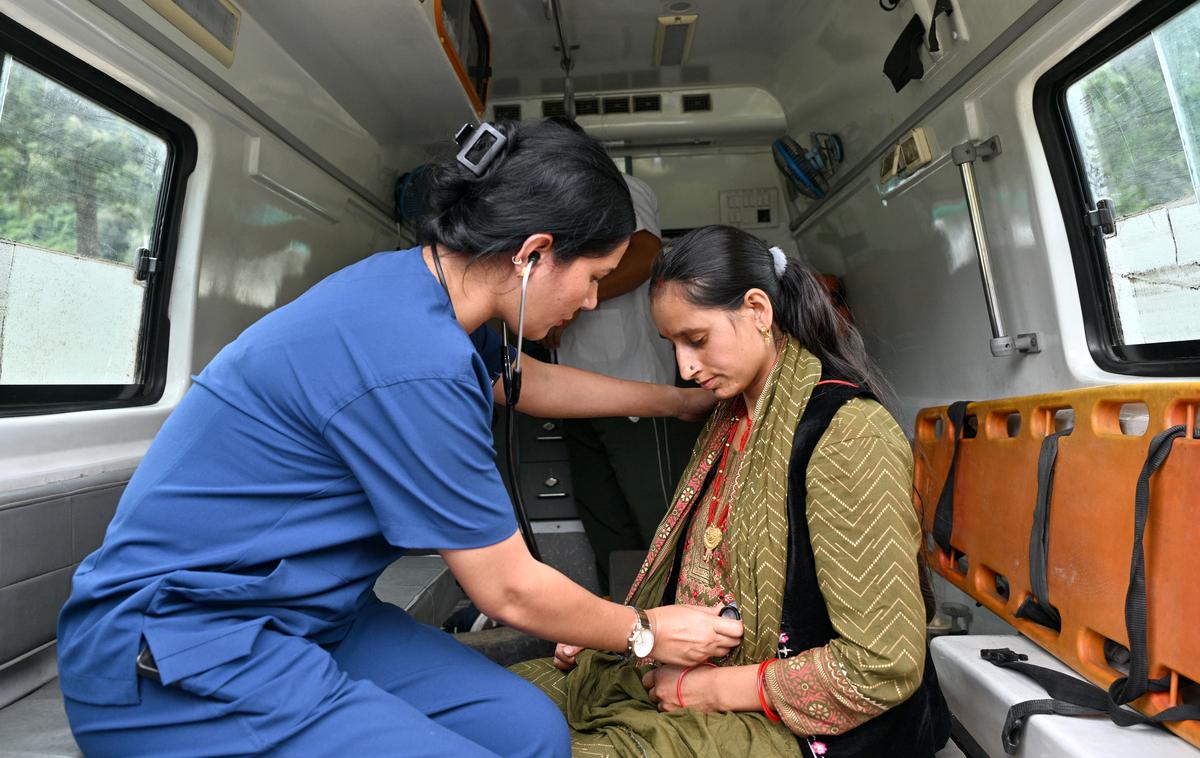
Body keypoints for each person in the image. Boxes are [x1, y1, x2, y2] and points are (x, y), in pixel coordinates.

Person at [55, 120, 744, 758]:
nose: (592, 302)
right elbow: (508, 591)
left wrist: (674, 402)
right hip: (179, 650)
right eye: (593, 278)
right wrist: (644, 630)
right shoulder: (413, 356)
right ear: (534, 255)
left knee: (533, 730)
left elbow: (520, 381)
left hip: (316, 618)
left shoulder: (426, 290)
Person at [514, 224, 950, 757]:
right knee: (501, 710)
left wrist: (709, 688)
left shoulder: (847, 433)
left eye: (696, 340)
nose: (685, 368)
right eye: (671, 344)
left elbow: (880, 667)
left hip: (792, 722)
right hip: (683, 678)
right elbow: (704, 580)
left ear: (759, 311)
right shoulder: (731, 415)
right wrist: (623, 633)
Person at [543, 173, 686, 595]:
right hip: (571, 391)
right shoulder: (552, 197)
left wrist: (571, 303)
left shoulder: (618, 185)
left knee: (658, 519)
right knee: (604, 521)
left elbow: (646, 254)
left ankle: (687, 615)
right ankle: (625, 628)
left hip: (634, 386)